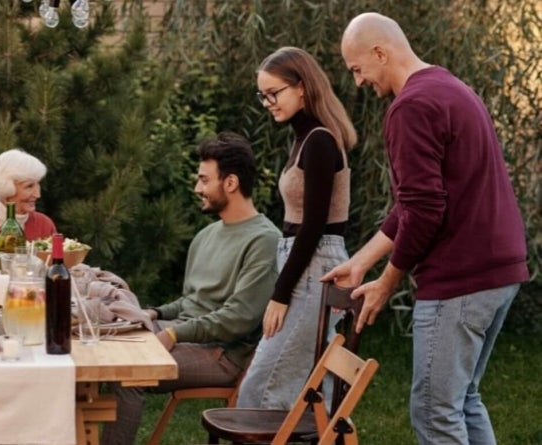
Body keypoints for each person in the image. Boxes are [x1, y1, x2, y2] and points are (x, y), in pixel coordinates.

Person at [328, 13, 529, 445]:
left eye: (358, 69)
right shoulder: (451, 88)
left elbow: (424, 210)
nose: (359, 82)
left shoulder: (412, 106)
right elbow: (416, 203)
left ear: (381, 52)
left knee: (435, 414)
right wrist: (362, 261)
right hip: (500, 272)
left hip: (460, 280)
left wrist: (386, 282)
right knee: (463, 401)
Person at [102, 133, 280, 445]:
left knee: (129, 372)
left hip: (223, 353)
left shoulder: (263, 241)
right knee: (104, 342)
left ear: (230, 183)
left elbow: (238, 319)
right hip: (189, 333)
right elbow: (192, 301)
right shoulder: (208, 235)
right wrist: (155, 313)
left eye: (203, 179)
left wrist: (173, 334)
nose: (197, 188)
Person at [236, 46, 357, 410]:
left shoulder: (319, 140)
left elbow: (314, 227)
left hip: (313, 265)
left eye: (274, 93)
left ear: (301, 87)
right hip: (309, 262)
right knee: (295, 381)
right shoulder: (305, 138)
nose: (268, 102)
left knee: (262, 390)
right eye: (263, 96)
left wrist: (280, 294)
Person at [0, 148, 57, 251]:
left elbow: (58, 264)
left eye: (38, 185)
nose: (37, 194)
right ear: (6, 187)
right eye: (29, 186)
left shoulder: (44, 225)